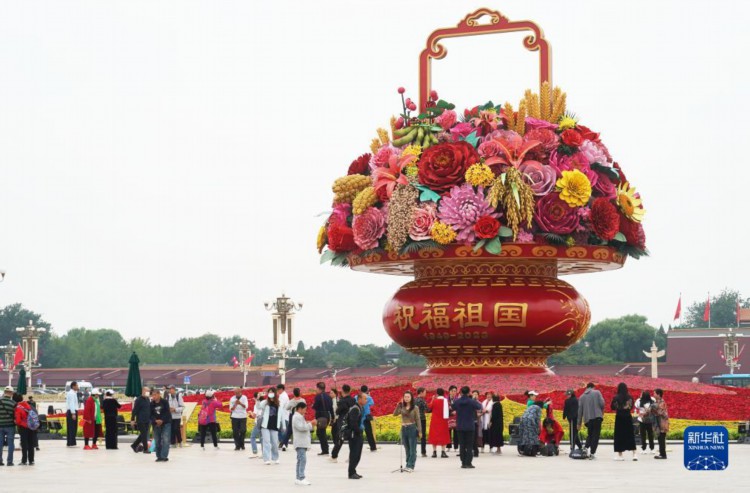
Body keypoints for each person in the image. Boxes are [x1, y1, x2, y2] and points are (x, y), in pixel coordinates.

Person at [452, 386, 482, 469]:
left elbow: (453, 407)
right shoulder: (472, 401)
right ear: (469, 392)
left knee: (462, 445)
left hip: (460, 426)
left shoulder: (457, 401)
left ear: (461, 392)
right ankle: (469, 463)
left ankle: (463, 463)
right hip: (470, 426)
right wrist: (474, 399)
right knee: (469, 445)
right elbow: (479, 407)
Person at [393, 390, 422, 472]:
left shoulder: (415, 408)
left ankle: (411, 465)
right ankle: (407, 464)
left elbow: (418, 420)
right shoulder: (402, 407)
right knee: (407, 448)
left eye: (408, 397)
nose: (406, 398)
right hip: (403, 429)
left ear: (411, 398)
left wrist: (420, 431)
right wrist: (398, 405)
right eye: (405, 397)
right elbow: (395, 414)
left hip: (412, 428)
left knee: (412, 449)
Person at [577, 382, 605, 460]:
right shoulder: (597, 392)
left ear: (587, 387)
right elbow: (602, 404)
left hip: (588, 419)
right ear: (593, 387)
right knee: (595, 435)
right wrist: (601, 410)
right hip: (597, 417)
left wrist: (579, 423)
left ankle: (586, 447)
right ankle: (592, 453)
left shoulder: (581, 397)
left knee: (590, 434)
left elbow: (580, 411)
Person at [258, 386, 285, 464]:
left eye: (272, 392)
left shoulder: (279, 403)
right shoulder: (265, 402)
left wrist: (283, 425)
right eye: (269, 392)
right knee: (266, 442)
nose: (270, 394)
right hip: (265, 425)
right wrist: (258, 399)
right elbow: (258, 407)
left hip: (274, 425)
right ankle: (266, 459)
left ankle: (275, 457)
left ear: (275, 393)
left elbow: (282, 415)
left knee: (274, 443)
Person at [611, 382, 637, 461]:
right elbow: (631, 407)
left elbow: (612, 407)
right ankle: (634, 454)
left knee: (619, 436)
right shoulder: (630, 397)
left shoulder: (616, 397)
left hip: (619, 417)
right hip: (628, 417)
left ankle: (620, 455)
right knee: (630, 435)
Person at [292, 401, 316, 486]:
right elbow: (301, 427)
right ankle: (301, 477)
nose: (305, 411)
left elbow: (304, 427)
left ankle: (298, 478)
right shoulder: (296, 417)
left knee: (300, 460)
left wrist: (310, 424)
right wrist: (311, 423)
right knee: (302, 460)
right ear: (300, 409)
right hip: (300, 442)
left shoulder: (299, 416)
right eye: (304, 409)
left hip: (302, 442)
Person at [331, 384, 355, 462]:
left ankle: (334, 457)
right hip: (351, 420)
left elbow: (337, 412)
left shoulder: (342, 401)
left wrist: (338, 407)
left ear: (342, 390)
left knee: (340, 439)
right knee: (351, 439)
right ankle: (351, 457)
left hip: (343, 421)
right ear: (349, 390)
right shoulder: (353, 400)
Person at [346, 393, 367, 479]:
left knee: (357, 454)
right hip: (354, 435)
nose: (366, 401)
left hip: (357, 434)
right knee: (354, 454)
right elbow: (353, 423)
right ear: (359, 399)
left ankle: (353, 471)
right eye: (365, 399)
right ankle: (351, 473)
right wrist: (358, 431)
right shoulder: (355, 409)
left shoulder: (360, 407)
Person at [428, 388, 451, 458]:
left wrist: (432, 399)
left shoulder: (435, 401)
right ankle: (443, 452)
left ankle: (434, 452)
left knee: (434, 435)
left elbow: (429, 407)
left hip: (435, 421)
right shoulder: (446, 401)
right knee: (443, 435)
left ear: (437, 394)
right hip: (443, 421)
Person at [312, 382, 333, 456]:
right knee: (321, 432)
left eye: (316, 388)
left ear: (319, 388)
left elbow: (315, 406)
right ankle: (325, 448)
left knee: (321, 433)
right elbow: (331, 408)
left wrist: (313, 405)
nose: (316, 389)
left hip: (321, 416)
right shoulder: (328, 397)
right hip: (327, 416)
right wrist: (332, 418)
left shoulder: (318, 396)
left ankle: (325, 450)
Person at [13, 393, 35, 465]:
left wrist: (16, 422)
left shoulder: (18, 407)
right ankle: (31, 460)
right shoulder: (28, 405)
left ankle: (24, 461)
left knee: (24, 444)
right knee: (31, 443)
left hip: (23, 427)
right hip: (31, 426)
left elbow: (18, 420)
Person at [150, 388, 171, 462]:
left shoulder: (165, 402)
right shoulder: (151, 404)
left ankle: (164, 456)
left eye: (155, 395)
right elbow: (150, 414)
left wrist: (162, 420)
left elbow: (167, 413)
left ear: (159, 394)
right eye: (152, 395)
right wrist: (155, 421)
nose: (153, 396)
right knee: (157, 440)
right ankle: (159, 456)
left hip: (166, 423)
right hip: (156, 424)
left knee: (166, 439)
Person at [130, 386, 151, 454]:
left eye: (149, 391)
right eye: (147, 391)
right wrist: (132, 419)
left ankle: (134, 445)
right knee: (144, 434)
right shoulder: (138, 400)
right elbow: (135, 410)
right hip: (140, 420)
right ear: (143, 391)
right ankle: (145, 449)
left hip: (147, 419)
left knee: (143, 434)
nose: (148, 393)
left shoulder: (148, 399)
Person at [650, 388, 669, 459]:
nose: (653, 395)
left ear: (658, 394)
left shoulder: (662, 402)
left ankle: (663, 455)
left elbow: (660, 412)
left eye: (654, 393)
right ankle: (661, 454)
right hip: (659, 423)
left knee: (661, 439)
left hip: (662, 423)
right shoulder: (657, 402)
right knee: (660, 438)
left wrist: (653, 408)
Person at [360, 385, 377, 452]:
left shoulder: (357, 397)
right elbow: (372, 403)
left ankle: (358, 447)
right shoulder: (368, 398)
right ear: (367, 390)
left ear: (360, 390)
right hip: (366, 417)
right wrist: (369, 396)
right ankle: (373, 447)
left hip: (359, 417)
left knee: (359, 433)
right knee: (369, 433)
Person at [248, 391, 263, 458]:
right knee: (262, 438)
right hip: (263, 423)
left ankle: (255, 452)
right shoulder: (264, 403)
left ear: (255, 398)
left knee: (252, 437)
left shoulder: (256, 405)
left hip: (258, 423)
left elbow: (254, 415)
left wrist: (250, 412)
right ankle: (264, 453)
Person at [414, 387, 428, 457]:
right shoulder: (422, 401)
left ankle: (414, 451)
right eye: (425, 392)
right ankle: (423, 452)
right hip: (422, 419)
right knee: (423, 436)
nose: (425, 394)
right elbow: (427, 409)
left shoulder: (414, 400)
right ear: (421, 392)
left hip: (414, 419)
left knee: (414, 436)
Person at [65, 381, 80, 447]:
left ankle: (70, 442)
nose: (78, 387)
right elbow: (71, 403)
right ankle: (71, 442)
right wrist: (73, 413)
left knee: (72, 427)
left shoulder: (73, 393)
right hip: (72, 411)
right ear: (73, 386)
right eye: (77, 385)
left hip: (71, 411)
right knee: (72, 428)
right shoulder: (71, 393)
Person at [276, 384, 290, 451]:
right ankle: (283, 444)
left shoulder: (283, 396)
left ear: (281, 389)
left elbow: (280, 406)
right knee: (281, 431)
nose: (277, 391)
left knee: (282, 431)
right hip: (283, 416)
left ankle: (283, 444)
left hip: (283, 416)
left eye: (278, 389)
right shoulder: (282, 395)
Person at [447, 385, 458, 451]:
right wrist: (450, 412)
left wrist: (456, 411)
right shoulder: (446, 399)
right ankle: (448, 447)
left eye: (455, 391)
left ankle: (456, 447)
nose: (454, 392)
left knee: (456, 432)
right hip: (448, 418)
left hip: (456, 418)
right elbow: (444, 409)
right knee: (448, 432)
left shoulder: (457, 400)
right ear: (449, 391)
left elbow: (460, 408)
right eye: (452, 391)